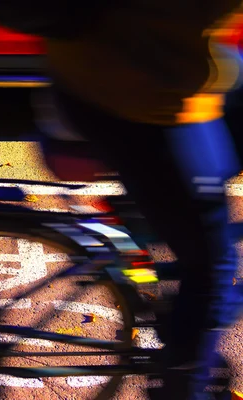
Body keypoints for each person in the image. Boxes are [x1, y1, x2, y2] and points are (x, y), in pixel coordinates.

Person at [37, 2, 243, 398]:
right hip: (144, 96)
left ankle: (146, 220)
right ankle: (180, 386)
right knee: (212, 266)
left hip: (98, 68)